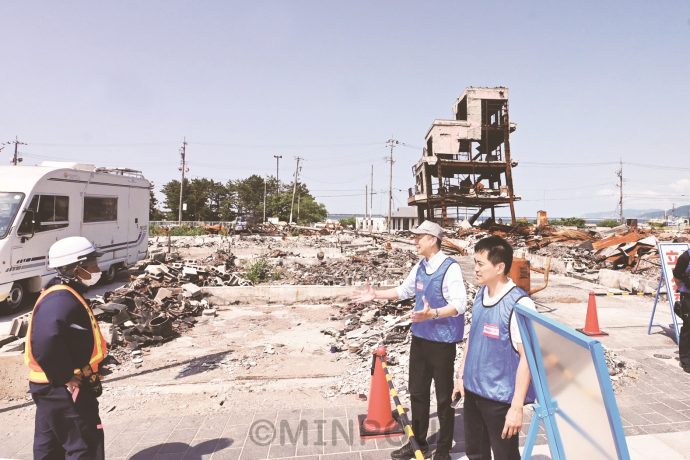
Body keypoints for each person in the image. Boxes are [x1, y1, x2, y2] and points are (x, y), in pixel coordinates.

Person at [352, 220, 467, 460]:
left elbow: (459, 304)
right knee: (417, 393)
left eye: (419, 237)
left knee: (444, 397)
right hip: (421, 339)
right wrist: (376, 295)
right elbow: (403, 290)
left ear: (433, 240)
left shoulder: (450, 268)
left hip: (442, 343)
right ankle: (420, 442)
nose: (415, 241)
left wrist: (432, 314)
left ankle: (444, 449)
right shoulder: (421, 265)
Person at [452, 235, 535, 460]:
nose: (475, 269)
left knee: (504, 456)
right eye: (475, 263)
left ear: (499, 267)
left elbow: (528, 358)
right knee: (476, 453)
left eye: (480, 264)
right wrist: (461, 375)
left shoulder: (519, 304)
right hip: (473, 392)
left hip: (500, 399)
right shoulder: (481, 294)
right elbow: (473, 336)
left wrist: (516, 407)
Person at [25, 236, 108, 459]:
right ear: (76, 268)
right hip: (62, 387)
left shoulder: (61, 292)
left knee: (50, 446)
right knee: (84, 444)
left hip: (49, 387)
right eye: (92, 265)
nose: (97, 269)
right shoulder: (60, 299)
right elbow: (46, 341)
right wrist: (64, 377)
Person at [672, 248, 690, 373]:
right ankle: (686, 360)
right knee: (688, 328)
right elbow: (677, 276)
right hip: (688, 296)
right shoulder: (685, 257)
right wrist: (683, 290)